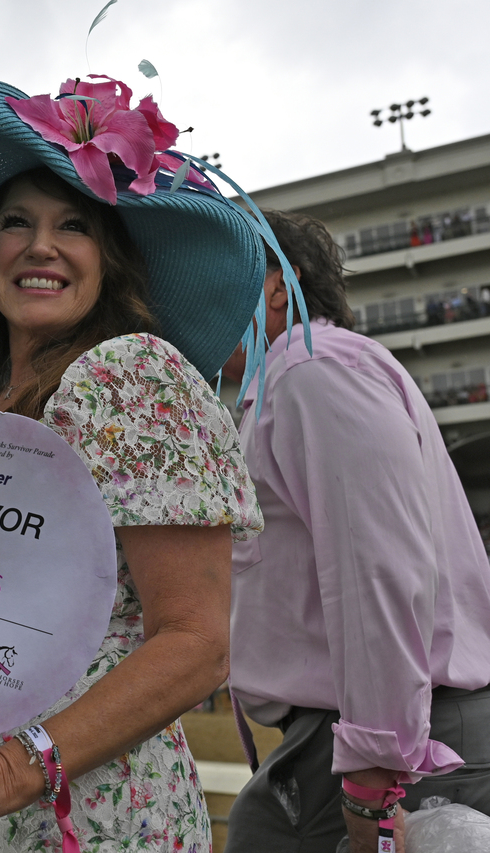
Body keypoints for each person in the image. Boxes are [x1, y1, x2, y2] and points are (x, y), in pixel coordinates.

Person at [0, 77, 275, 852]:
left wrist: (8, 771)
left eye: (74, 224)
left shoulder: (131, 376)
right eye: (16, 222)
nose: (41, 245)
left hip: (89, 815)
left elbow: (197, 643)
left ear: (110, 260)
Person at [221, 211, 490, 853]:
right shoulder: (295, 376)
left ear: (276, 287)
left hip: (390, 740)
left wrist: (375, 768)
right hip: (368, 730)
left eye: (209, 273)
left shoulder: (313, 372)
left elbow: (377, 571)